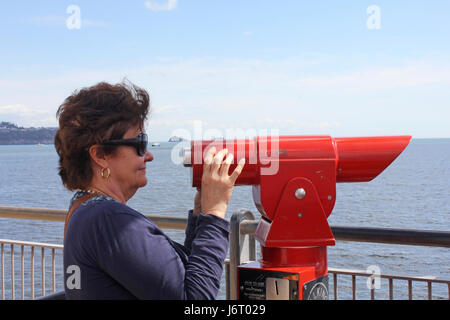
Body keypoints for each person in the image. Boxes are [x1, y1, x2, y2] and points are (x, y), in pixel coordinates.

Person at [54, 81, 245, 299]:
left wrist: (201, 216)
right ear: (100, 156)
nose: (149, 155)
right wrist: (214, 213)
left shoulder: (84, 212)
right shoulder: (109, 221)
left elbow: (178, 281)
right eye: (140, 143)